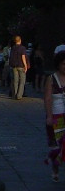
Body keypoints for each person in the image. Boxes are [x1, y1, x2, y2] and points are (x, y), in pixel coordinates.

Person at [44, 51, 65, 182]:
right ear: (58, 65)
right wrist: (49, 116)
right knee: (56, 147)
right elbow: (47, 98)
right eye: (63, 64)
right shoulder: (52, 78)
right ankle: (55, 168)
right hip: (57, 116)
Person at [9, 35, 29, 100]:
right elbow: (23, 57)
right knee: (22, 81)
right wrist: (25, 65)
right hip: (21, 66)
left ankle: (14, 94)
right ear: (20, 40)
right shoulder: (22, 48)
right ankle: (19, 95)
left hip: (14, 66)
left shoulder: (13, 48)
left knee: (15, 81)